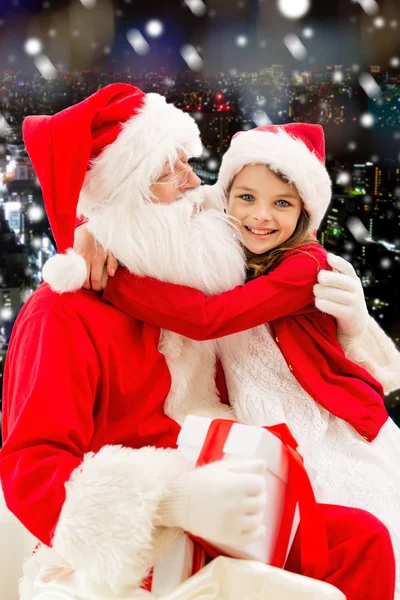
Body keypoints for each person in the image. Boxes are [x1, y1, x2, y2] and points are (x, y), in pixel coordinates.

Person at [0, 87, 395, 600]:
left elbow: (242, 208)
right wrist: (172, 501)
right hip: (135, 541)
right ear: (125, 196)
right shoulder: (61, 313)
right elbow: (31, 469)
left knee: (362, 541)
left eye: (190, 162)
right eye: (170, 171)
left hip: (228, 500)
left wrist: (356, 327)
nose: (194, 181)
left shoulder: (189, 273)